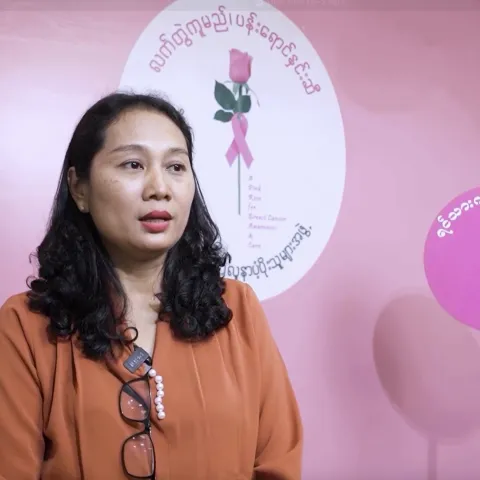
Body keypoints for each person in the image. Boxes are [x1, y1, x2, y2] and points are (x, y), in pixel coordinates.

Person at [0, 92, 303, 479]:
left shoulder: (236, 308)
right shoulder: (26, 326)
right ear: (79, 188)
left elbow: (278, 461)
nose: (160, 188)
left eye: (176, 166)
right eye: (133, 164)